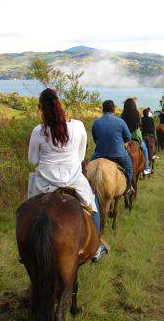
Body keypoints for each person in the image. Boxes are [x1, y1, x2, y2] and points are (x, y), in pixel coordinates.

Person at [28, 88, 107, 262]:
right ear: (60, 105)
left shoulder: (38, 131)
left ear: (41, 108)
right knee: (91, 205)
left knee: (27, 210)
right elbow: (80, 156)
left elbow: (32, 160)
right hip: (73, 179)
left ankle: (25, 250)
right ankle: (95, 248)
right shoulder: (77, 126)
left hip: (44, 182)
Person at [91, 100, 134, 196]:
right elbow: (128, 137)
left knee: (86, 169)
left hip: (99, 154)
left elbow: (95, 138)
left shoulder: (96, 122)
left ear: (103, 109)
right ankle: (128, 189)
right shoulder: (120, 121)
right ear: (113, 109)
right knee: (129, 168)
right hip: (118, 154)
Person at [121, 98, 151, 175]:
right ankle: (146, 168)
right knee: (144, 149)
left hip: (125, 138)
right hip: (136, 136)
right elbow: (139, 124)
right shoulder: (137, 114)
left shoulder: (123, 115)